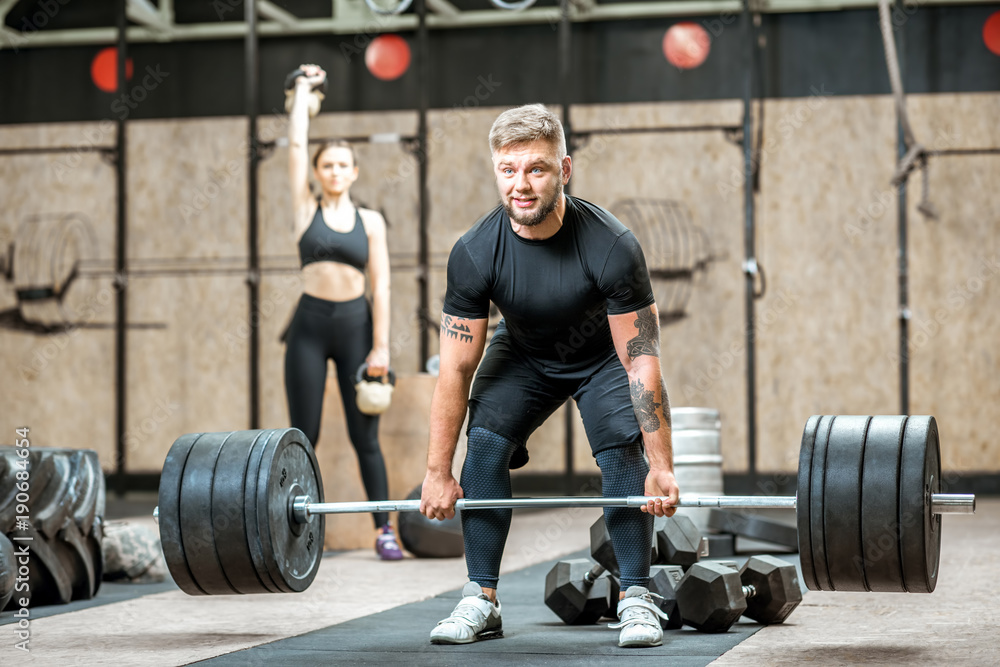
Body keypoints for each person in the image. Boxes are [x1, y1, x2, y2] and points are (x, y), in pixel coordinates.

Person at [419, 104, 680, 648]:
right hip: (525, 353)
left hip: (602, 357)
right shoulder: (473, 253)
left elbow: (640, 360)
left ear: (565, 169)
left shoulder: (612, 245)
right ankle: (481, 598)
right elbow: (456, 369)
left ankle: (635, 595)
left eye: (535, 169)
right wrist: (437, 471)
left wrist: (663, 465)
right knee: (485, 441)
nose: (521, 185)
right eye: (508, 170)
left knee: (621, 446)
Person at [284, 63, 402, 561]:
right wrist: (303, 95)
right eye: (325, 165)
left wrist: (380, 345)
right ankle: (299, 528)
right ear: (316, 172)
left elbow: (384, 284)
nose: (333, 171)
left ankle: (385, 531)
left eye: (341, 165)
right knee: (303, 435)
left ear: (354, 172)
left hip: (356, 327)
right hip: (308, 327)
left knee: (364, 437)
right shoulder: (303, 210)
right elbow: (293, 146)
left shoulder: (370, 221)